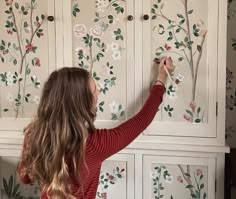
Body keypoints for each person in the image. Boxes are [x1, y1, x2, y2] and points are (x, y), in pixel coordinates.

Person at [18, 57, 175, 199]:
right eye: (94, 90)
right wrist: (161, 79)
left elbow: (25, 178)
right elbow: (142, 119)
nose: (98, 92)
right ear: (81, 103)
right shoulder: (95, 144)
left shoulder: (34, 134)